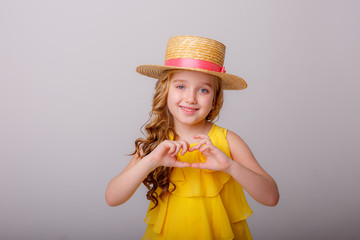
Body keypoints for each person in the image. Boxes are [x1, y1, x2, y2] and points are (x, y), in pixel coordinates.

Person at [105, 35, 279, 239]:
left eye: (203, 90)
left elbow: (271, 197)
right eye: (180, 86)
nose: (190, 98)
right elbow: (113, 197)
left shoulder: (229, 141)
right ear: (165, 91)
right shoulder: (156, 143)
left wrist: (230, 166)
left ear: (214, 100)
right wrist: (151, 161)